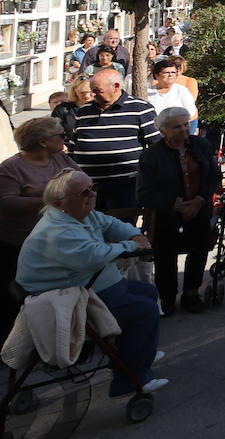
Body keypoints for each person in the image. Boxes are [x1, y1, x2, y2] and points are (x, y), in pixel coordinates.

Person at [18, 169, 165, 397]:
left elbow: (113, 225)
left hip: (94, 285)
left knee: (147, 292)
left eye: (92, 189)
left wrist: (134, 235)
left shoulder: (82, 214)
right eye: (84, 192)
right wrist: (131, 246)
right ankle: (133, 378)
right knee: (144, 311)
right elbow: (93, 256)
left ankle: (138, 352)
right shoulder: (58, 230)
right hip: (66, 294)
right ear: (60, 203)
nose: (92, 195)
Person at [136, 107, 220, 316]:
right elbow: (144, 193)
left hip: (199, 209)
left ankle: (191, 293)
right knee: (166, 256)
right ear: (163, 130)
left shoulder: (200, 144)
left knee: (198, 251)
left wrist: (200, 200)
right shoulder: (151, 156)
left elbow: (213, 176)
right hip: (167, 214)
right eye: (177, 126)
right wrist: (176, 204)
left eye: (185, 124)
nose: (184, 130)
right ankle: (167, 297)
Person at [0, 118, 77, 335]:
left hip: (58, 240)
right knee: (14, 295)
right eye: (61, 136)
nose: (65, 138)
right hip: (19, 242)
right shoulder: (11, 168)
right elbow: (7, 203)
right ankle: (12, 343)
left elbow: (82, 183)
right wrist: (48, 198)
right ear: (43, 142)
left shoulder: (61, 159)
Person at [72, 69, 158, 211]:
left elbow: (156, 144)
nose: (92, 95)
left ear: (116, 86)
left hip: (126, 186)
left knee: (122, 229)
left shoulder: (140, 108)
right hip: (89, 186)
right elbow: (73, 144)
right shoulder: (83, 111)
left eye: (97, 90)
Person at [146, 57, 197, 122]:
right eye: (166, 72)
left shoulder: (182, 91)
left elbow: (190, 112)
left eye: (173, 72)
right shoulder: (148, 92)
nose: (170, 75)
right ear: (157, 75)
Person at [52, 79, 93, 144]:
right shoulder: (62, 109)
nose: (87, 96)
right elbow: (53, 131)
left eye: (90, 92)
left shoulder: (101, 108)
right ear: (75, 91)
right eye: (82, 92)